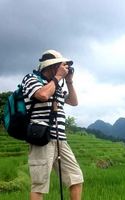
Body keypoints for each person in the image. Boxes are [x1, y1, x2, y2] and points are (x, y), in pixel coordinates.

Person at [21, 50, 84, 200]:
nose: (63, 68)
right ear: (50, 66)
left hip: (61, 140)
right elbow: (42, 95)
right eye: (60, 65)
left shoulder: (57, 86)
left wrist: (68, 81)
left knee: (76, 178)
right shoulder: (31, 79)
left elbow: (74, 102)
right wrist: (57, 78)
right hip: (42, 138)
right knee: (39, 184)